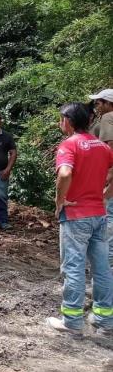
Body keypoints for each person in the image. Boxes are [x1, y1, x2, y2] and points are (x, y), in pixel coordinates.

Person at [46, 102, 113, 335]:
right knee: (102, 268)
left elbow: (65, 173)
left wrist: (59, 200)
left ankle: (72, 321)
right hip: (99, 215)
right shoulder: (102, 147)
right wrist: (105, 196)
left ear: (68, 121)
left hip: (76, 216)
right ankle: (105, 320)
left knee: (73, 267)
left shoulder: (69, 145)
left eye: (60, 118)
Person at [89, 89, 113, 267]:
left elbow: (109, 146)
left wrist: (108, 175)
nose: (96, 106)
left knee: (109, 218)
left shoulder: (108, 117)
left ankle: (108, 264)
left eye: (98, 102)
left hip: (109, 177)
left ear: (107, 103)